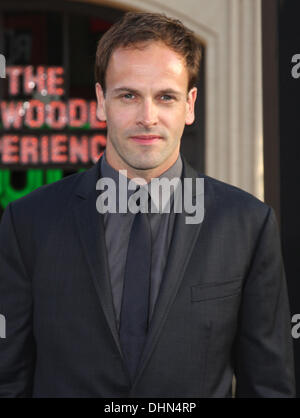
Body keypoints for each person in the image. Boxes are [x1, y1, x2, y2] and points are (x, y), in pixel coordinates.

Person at [0, 12, 295, 398]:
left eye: (165, 97)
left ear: (189, 105)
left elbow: (269, 386)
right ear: (101, 102)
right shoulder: (28, 223)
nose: (147, 117)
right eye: (128, 96)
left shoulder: (247, 225)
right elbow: (8, 379)